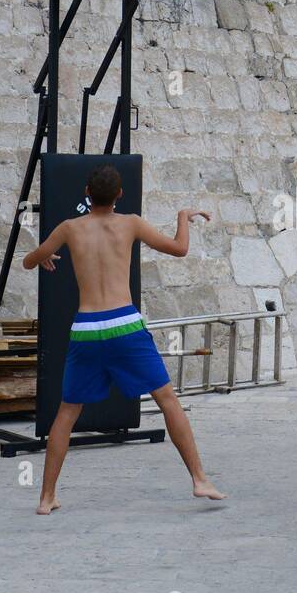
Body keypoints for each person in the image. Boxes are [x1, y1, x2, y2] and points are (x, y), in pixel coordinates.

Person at [22, 163, 225, 513]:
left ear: (86, 193)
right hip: (125, 324)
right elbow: (179, 249)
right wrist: (182, 217)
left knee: (67, 412)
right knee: (167, 399)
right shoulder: (130, 222)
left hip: (86, 328)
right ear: (119, 194)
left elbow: (28, 261)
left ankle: (46, 497)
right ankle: (199, 479)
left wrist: (46, 256)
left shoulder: (69, 228)